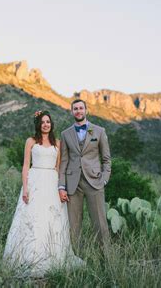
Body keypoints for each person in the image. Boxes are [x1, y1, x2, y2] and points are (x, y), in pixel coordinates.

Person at [3, 110, 84, 277]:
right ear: (38, 125)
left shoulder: (58, 143)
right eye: (42, 122)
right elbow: (26, 165)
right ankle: (28, 256)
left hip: (52, 182)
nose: (45, 124)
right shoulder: (31, 141)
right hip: (35, 180)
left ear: (51, 124)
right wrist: (25, 187)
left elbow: (58, 167)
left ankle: (53, 254)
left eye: (48, 121)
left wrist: (61, 187)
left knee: (51, 218)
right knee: (33, 216)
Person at [58, 99, 111, 253]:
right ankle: (76, 259)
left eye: (81, 108)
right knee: (74, 225)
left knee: (100, 224)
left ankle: (106, 260)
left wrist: (104, 179)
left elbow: (106, 159)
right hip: (73, 184)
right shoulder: (65, 134)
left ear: (86, 110)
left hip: (95, 182)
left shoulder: (99, 131)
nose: (78, 111)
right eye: (75, 109)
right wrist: (62, 185)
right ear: (72, 112)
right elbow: (64, 161)